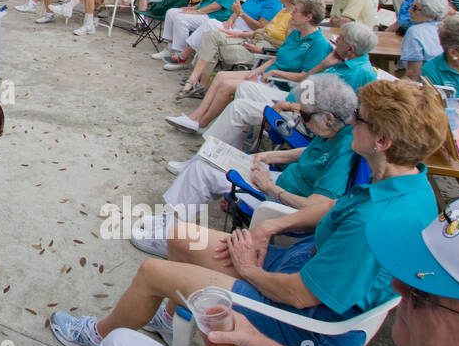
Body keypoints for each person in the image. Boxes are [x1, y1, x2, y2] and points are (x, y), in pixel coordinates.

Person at [51, 79, 441, 346]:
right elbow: (327, 223)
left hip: (300, 321)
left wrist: (249, 269)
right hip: (293, 270)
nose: (351, 121)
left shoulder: (376, 220)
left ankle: (99, 338)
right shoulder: (404, 183)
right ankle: (171, 319)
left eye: (360, 118)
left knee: (153, 271)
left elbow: (301, 296)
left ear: (382, 141)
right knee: (180, 238)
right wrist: (271, 228)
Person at [98, 193, 459, 346]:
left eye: (424, 293)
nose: (398, 288)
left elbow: (301, 297)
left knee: (120, 343)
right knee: (125, 344)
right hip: (286, 320)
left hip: (291, 308)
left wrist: (249, 269)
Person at [133, 75, 358, 255]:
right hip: (279, 182)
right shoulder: (333, 129)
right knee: (207, 159)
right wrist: (270, 156)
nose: (303, 121)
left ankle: (169, 240)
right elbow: (311, 152)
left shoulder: (346, 147)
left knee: (202, 172)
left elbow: (316, 208)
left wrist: (271, 188)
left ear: (328, 117)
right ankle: (171, 220)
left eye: (306, 116)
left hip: (280, 198)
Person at [170, 21, 375, 147]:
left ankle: (208, 153)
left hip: (305, 117)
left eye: (340, 39)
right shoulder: (340, 61)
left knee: (239, 107)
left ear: (350, 48)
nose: (335, 40)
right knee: (244, 86)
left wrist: (289, 104)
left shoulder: (354, 72)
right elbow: (309, 83)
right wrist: (322, 65)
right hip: (293, 98)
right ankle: (232, 140)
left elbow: (319, 107)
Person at [169, 0, 330, 129]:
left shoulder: (318, 44)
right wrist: (257, 71)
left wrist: (274, 72)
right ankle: (194, 118)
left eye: (296, 11)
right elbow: (278, 57)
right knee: (221, 77)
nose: (292, 13)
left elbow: (305, 77)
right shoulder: (297, 33)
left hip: (280, 84)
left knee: (227, 85)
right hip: (267, 75)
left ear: (308, 17)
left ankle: (201, 123)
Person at [174, 0, 306, 100]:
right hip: (251, 38)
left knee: (213, 37)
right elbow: (263, 30)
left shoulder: (294, 20)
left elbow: (287, 50)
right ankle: (196, 81)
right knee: (211, 34)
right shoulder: (283, 11)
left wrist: (260, 49)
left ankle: (196, 84)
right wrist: (240, 34)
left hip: (262, 51)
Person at [161, 0, 284, 74]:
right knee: (209, 23)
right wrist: (232, 18)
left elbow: (259, 27)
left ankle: (185, 55)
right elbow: (238, 10)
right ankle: (185, 55)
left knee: (210, 24)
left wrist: (241, 14)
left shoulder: (273, 2)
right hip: (235, 25)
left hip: (245, 33)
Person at [398, 0, 448, 81]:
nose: (409, 10)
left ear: (429, 12)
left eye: (414, 8)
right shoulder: (447, 27)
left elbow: (413, 75)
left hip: (428, 85)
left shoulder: (415, 31)